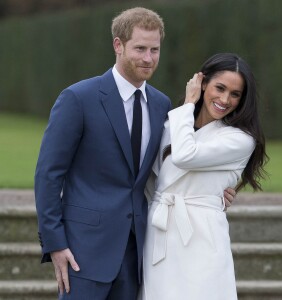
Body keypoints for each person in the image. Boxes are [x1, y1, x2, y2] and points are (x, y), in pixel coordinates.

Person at [34, 7, 236, 300]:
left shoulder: (160, 103)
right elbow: (48, 174)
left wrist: (213, 189)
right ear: (118, 45)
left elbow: (167, 167)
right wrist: (55, 243)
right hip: (83, 251)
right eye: (140, 48)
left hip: (139, 253)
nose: (148, 58)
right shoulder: (78, 98)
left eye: (154, 50)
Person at [139, 53, 268, 300]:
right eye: (219, 88)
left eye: (234, 94)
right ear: (203, 82)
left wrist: (189, 103)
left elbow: (185, 156)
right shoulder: (170, 125)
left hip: (201, 236)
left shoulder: (240, 139)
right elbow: (150, 181)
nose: (224, 99)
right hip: (159, 232)